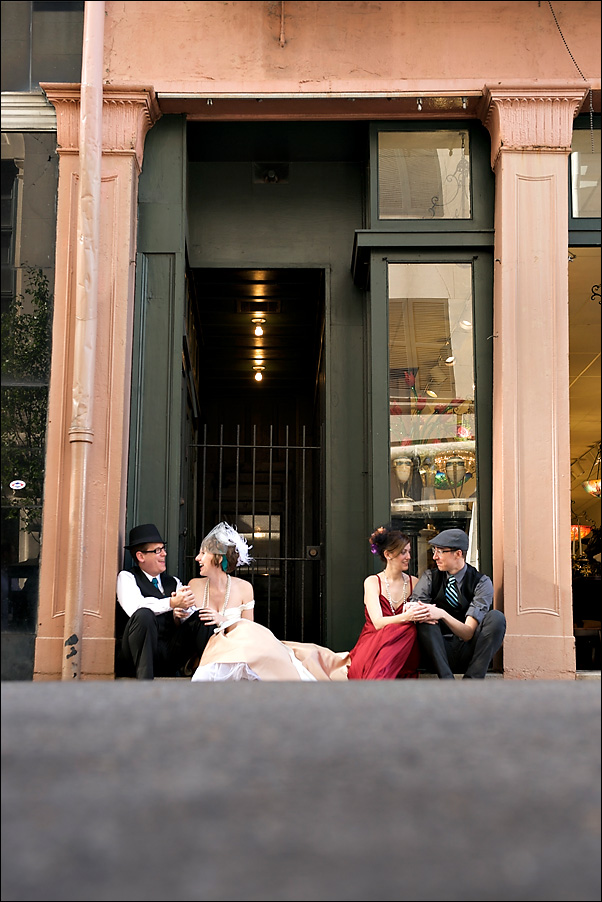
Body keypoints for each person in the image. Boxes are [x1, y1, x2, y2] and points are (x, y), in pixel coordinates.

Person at [189, 522, 350, 681]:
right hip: (206, 653)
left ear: (218, 557)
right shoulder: (194, 585)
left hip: (240, 651)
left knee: (303, 654)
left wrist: (223, 621)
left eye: (203, 553)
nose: (197, 558)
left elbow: (249, 630)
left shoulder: (244, 588)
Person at [116, 523, 214, 679]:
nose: (164, 554)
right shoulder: (127, 578)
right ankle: (145, 685)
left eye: (163, 549)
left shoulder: (174, 582)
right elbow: (134, 608)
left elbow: (188, 615)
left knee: (202, 618)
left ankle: (206, 675)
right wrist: (171, 603)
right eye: (157, 550)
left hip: (168, 651)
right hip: (138, 655)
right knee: (144, 615)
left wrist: (182, 612)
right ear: (141, 556)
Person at [412, 528, 506, 679]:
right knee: (424, 619)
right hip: (438, 652)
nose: (435, 557)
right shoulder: (430, 577)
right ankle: (447, 681)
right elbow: (415, 610)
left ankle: (472, 681)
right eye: (434, 550)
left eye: (440, 551)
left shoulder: (481, 582)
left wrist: (442, 614)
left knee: (496, 618)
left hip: (470, 652)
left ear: (458, 554)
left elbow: (468, 633)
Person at [347, 525, 431, 680]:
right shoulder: (373, 582)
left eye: (409, 551)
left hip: (404, 650)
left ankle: (377, 680)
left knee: (409, 631)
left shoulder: (415, 583)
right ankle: (377, 679)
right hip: (375, 644)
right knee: (408, 628)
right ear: (388, 554)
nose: (408, 557)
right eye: (403, 552)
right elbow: (378, 623)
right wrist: (408, 616)